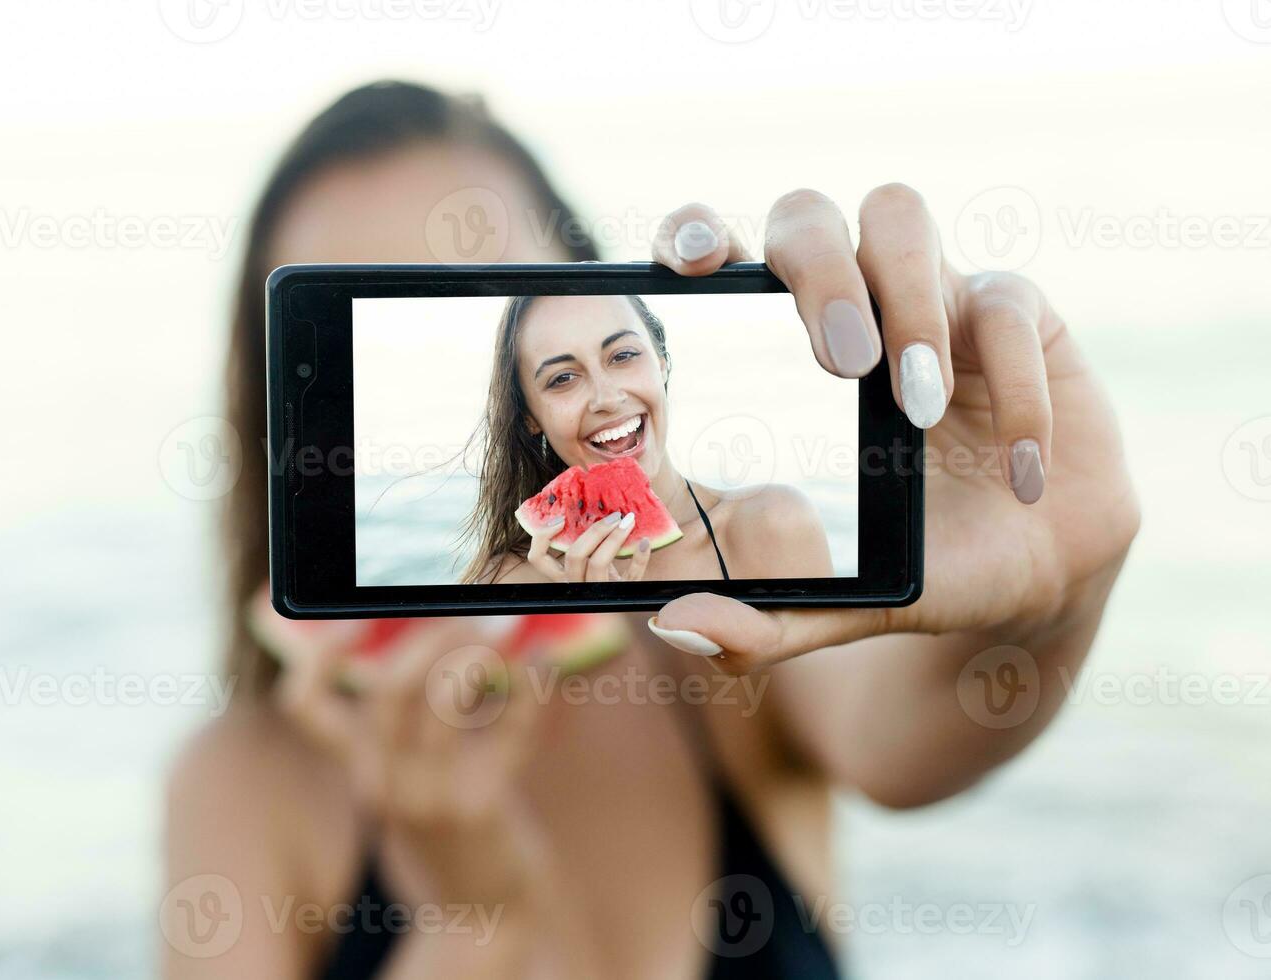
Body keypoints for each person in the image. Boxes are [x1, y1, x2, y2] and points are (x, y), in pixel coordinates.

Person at [163, 80, 1140, 979]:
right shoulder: (239, 780)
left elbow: (915, 739)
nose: (596, 395)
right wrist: (479, 921)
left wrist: (1052, 589)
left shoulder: (724, 604)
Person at [463, 293, 833, 586]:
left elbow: (823, 682)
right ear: (530, 417)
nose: (606, 399)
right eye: (563, 378)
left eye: (623, 355)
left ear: (661, 362)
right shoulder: (512, 580)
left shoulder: (775, 525)